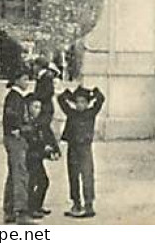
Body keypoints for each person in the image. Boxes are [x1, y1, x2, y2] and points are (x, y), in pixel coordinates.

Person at [58, 83, 105, 218]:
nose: (80, 105)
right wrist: (69, 94)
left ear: (87, 103)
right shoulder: (71, 113)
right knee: (73, 176)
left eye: (83, 102)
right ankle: (76, 203)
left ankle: (89, 204)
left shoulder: (90, 113)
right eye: (77, 102)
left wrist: (93, 91)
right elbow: (61, 99)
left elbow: (100, 99)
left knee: (87, 175)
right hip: (72, 147)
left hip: (85, 148)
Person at [2, 65, 32, 224]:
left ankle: (9, 209)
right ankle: (21, 212)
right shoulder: (15, 97)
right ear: (17, 80)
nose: (27, 82)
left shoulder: (14, 96)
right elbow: (11, 117)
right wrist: (17, 129)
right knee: (20, 173)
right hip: (16, 138)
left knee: (13, 173)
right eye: (25, 79)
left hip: (12, 137)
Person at [25, 97, 60, 218]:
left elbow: (48, 136)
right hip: (30, 157)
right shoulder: (27, 123)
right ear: (28, 107)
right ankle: (31, 208)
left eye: (39, 107)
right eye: (35, 107)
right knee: (34, 182)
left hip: (37, 156)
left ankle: (36, 206)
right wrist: (44, 148)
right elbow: (31, 141)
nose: (37, 110)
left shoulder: (40, 122)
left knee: (42, 181)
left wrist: (53, 149)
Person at [33, 56, 60, 126]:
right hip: (45, 108)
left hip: (45, 108)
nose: (33, 67)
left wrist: (36, 97)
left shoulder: (46, 77)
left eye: (34, 65)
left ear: (39, 66)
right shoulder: (43, 76)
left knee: (42, 128)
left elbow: (49, 91)